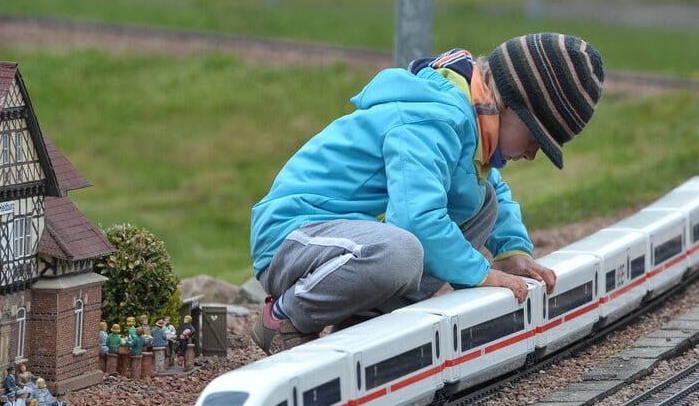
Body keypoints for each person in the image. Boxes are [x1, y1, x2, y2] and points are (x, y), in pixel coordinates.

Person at [249, 33, 604, 356]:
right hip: (296, 235)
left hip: (350, 239)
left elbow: (492, 186)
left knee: (481, 203)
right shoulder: (432, 119)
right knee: (402, 250)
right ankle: (285, 318)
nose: (531, 155)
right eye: (534, 140)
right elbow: (415, 218)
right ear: (508, 104)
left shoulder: (472, 126)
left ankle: (368, 326)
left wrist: (511, 250)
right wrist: (479, 273)